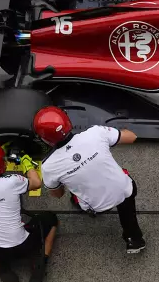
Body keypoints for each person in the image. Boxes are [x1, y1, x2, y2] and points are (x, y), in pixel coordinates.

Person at [35, 106, 146, 253]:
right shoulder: (95, 133)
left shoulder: (48, 166)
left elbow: (57, 194)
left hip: (97, 205)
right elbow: (132, 137)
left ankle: (90, 210)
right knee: (124, 195)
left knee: (75, 195)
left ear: (44, 139)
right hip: (125, 190)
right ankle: (134, 239)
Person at [0, 143, 57, 282]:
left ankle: (2, 268)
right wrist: (26, 163)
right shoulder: (12, 181)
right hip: (23, 245)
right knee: (50, 218)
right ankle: (40, 265)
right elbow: (36, 183)